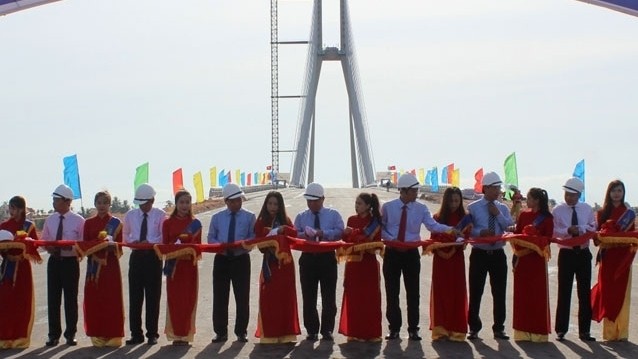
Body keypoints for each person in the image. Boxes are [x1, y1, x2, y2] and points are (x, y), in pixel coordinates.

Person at [381, 173, 452, 341]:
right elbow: (381, 228)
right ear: (404, 191)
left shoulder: (421, 208)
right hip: (392, 253)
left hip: (411, 255)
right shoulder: (388, 207)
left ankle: (413, 329)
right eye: (414, 191)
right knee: (392, 293)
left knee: (413, 293)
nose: (416, 193)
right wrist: (391, 240)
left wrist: (450, 230)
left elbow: (432, 225)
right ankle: (394, 329)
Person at [466, 172, 514, 340]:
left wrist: (497, 214)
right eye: (494, 187)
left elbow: (509, 227)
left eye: (498, 187)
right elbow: (468, 229)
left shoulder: (502, 208)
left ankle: (499, 328)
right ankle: (473, 327)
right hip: (479, 253)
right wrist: (480, 232)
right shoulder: (473, 207)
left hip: (498, 255)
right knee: (476, 291)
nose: (497, 191)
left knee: (499, 292)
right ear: (485, 188)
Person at [294, 182, 344, 341]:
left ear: (323, 199)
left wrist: (323, 233)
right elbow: (294, 235)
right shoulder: (301, 216)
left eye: (315, 201)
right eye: (309, 201)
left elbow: (340, 232)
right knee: (308, 297)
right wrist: (305, 235)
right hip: (308, 259)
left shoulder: (333, 214)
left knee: (329, 296)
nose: (312, 204)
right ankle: (311, 330)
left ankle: (327, 330)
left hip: (327, 259)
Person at [208, 183, 256, 343]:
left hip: (240, 259)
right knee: (220, 297)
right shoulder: (217, 218)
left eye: (239, 200)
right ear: (226, 201)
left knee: (242, 297)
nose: (237, 203)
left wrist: (244, 244)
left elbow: (252, 238)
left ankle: (241, 331)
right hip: (221, 259)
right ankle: (221, 332)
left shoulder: (250, 217)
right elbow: (211, 239)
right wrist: (220, 247)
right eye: (233, 201)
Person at [553, 177, 597, 342]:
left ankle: (584, 331)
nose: (568, 197)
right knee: (564, 292)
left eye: (572, 194)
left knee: (584, 293)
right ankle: (561, 330)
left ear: (579, 194)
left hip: (583, 254)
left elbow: (593, 226)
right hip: (566, 254)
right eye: (566, 194)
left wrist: (580, 229)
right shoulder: (557, 210)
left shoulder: (586, 209)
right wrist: (567, 230)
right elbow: (554, 232)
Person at [591, 180, 636, 341]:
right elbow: (596, 239)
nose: (617, 193)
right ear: (608, 193)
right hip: (608, 258)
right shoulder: (602, 213)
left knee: (622, 294)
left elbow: (632, 236)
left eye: (619, 190)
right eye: (614, 190)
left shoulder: (629, 213)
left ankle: (621, 332)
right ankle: (609, 333)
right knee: (608, 294)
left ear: (623, 193)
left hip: (623, 259)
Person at [253, 191, 300, 343]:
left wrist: (283, 229)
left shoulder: (285, 220)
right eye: (270, 203)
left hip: (285, 265)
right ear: (265, 205)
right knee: (269, 299)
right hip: (270, 264)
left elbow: (295, 234)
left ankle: (286, 334)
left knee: (285, 298)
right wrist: (274, 232)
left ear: (280, 206)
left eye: (276, 204)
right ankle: (270, 335)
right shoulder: (260, 221)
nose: (272, 207)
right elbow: (259, 242)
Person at [41, 184, 85, 346]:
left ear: (67, 201)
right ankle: (53, 335)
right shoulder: (50, 220)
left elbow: (82, 244)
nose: (53, 203)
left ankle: (70, 334)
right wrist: (49, 246)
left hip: (70, 262)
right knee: (53, 299)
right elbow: (44, 240)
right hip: (54, 262)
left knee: (70, 299)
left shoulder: (79, 221)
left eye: (56, 200)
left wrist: (70, 247)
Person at [123, 183, 166, 345]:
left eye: (146, 203)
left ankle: (152, 333)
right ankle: (136, 333)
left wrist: (149, 242)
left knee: (153, 297)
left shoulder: (160, 215)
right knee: (135, 297)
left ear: (152, 200)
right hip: (136, 257)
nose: (143, 206)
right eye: (140, 203)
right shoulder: (130, 215)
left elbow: (163, 236)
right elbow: (125, 235)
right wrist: (134, 241)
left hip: (153, 258)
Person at [82, 191, 125, 347]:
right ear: (95, 204)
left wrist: (112, 244)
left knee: (111, 299)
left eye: (105, 203)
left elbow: (121, 247)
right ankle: (97, 334)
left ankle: (113, 335)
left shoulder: (116, 223)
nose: (102, 206)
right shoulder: (88, 223)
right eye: (99, 202)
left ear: (109, 205)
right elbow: (84, 245)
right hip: (93, 267)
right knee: (95, 299)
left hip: (110, 266)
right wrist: (96, 243)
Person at [338, 192, 383, 342]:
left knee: (369, 299)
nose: (356, 206)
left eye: (360, 203)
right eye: (356, 203)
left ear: (368, 206)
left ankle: (370, 333)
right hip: (353, 265)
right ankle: (355, 331)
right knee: (354, 298)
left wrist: (355, 235)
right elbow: (345, 239)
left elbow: (376, 242)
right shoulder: (351, 219)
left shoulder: (375, 222)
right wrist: (347, 235)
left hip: (368, 265)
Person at [511, 188, 553, 342]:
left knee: (537, 296)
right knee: (522, 296)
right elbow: (517, 232)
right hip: (522, 261)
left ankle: (538, 333)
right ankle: (522, 332)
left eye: (528, 198)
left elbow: (549, 238)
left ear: (536, 200)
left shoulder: (547, 218)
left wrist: (536, 239)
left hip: (537, 261)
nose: (526, 201)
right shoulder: (523, 214)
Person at [162, 189, 201, 346]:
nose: (184, 205)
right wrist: (175, 248)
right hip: (174, 269)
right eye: (181, 202)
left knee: (188, 299)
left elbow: (198, 247)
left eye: (187, 202)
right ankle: (175, 334)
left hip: (189, 268)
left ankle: (186, 334)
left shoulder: (195, 223)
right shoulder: (167, 223)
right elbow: (164, 245)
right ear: (176, 204)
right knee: (174, 300)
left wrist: (187, 247)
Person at [430, 187, 468, 342]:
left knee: (456, 292)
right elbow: (433, 237)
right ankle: (441, 329)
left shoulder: (465, 218)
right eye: (451, 201)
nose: (454, 204)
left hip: (456, 260)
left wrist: (458, 240)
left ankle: (457, 330)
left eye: (457, 201)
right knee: (441, 293)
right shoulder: (437, 218)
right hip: (440, 260)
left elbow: (466, 239)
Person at [0, 196, 39, 348]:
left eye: (16, 208)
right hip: (7, 267)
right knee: (5, 302)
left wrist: (26, 244)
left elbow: (35, 247)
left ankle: (21, 338)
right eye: (11, 208)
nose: (12, 211)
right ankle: (4, 337)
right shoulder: (3, 225)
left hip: (22, 268)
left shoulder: (28, 226)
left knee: (22, 302)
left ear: (22, 209)